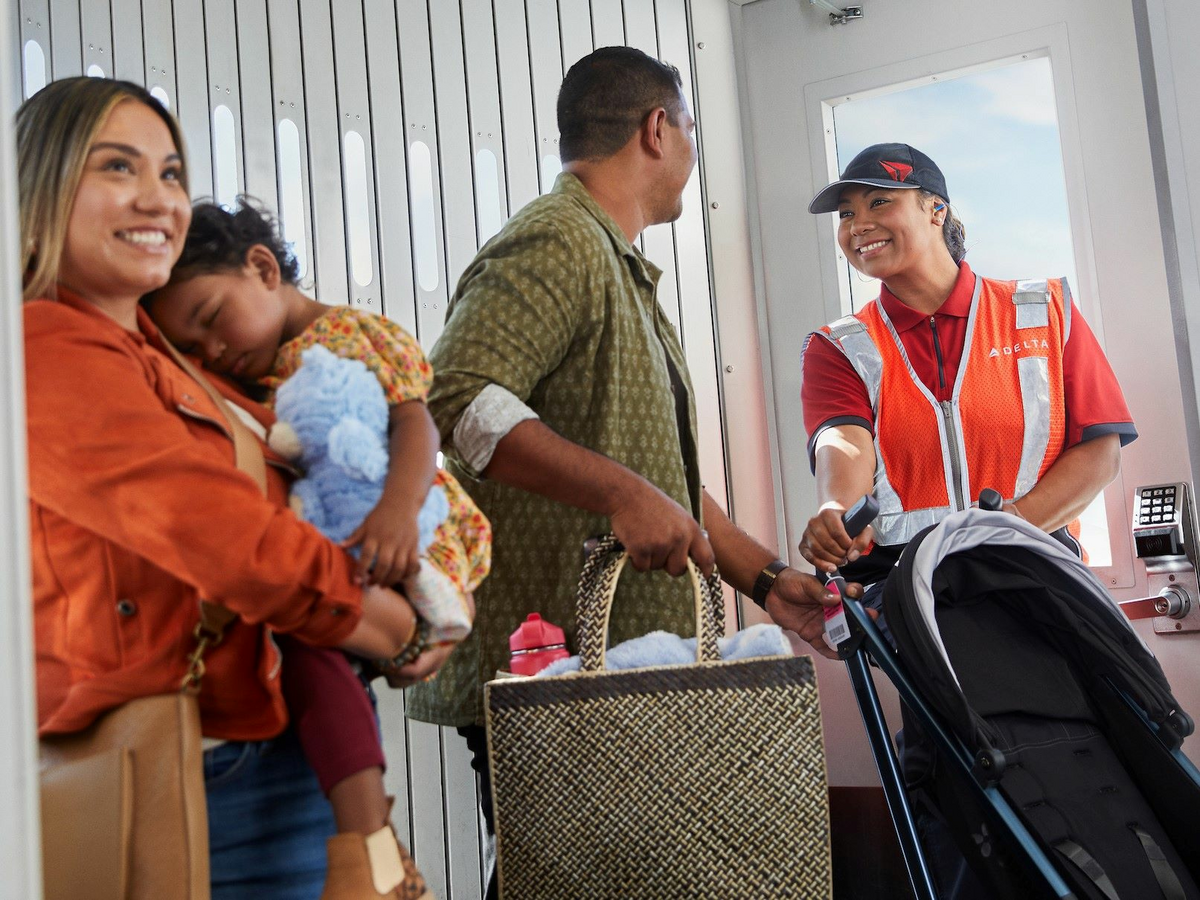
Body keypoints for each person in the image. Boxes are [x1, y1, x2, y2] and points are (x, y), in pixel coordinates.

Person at [404, 46, 853, 899]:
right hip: (556, 672)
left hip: (618, 665)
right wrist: (619, 494)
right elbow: (456, 398)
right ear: (658, 128)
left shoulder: (620, 267)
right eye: (688, 129)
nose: (690, 150)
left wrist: (767, 581)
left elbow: (663, 484)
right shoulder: (558, 239)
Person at [18, 76, 440, 900]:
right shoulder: (50, 348)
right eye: (118, 167)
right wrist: (391, 623)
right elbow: (228, 536)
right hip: (194, 772)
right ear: (45, 186)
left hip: (266, 753)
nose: (157, 198)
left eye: (171, 173)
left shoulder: (164, 353)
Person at [801, 142, 1137, 898]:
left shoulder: (1043, 309)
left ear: (935, 208)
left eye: (877, 203)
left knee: (1085, 783)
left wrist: (993, 535)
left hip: (1045, 599)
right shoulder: (840, 346)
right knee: (962, 808)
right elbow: (843, 439)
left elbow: (1098, 453)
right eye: (845, 216)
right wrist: (831, 503)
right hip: (925, 617)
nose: (857, 226)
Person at [145, 198, 492, 895]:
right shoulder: (251, 374)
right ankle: (373, 844)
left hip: (411, 531)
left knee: (312, 632)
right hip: (354, 543)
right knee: (308, 645)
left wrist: (396, 514)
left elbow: (415, 425)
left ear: (263, 267)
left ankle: (369, 844)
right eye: (194, 346)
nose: (212, 350)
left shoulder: (352, 333)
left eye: (212, 319)